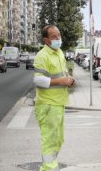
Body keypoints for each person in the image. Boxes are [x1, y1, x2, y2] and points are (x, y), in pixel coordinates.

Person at [33, 25, 77, 171]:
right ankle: (49, 168)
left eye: (59, 35)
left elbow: (62, 74)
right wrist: (60, 82)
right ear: (46, 40)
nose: (58, 38)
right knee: (50, 140)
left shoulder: (59, 53)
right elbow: (37, 80)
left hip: (59, 102)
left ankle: (49, 166)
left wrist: (69, 79)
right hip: (47, 104)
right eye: (54, 37)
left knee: (58, 139)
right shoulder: (42, 56)